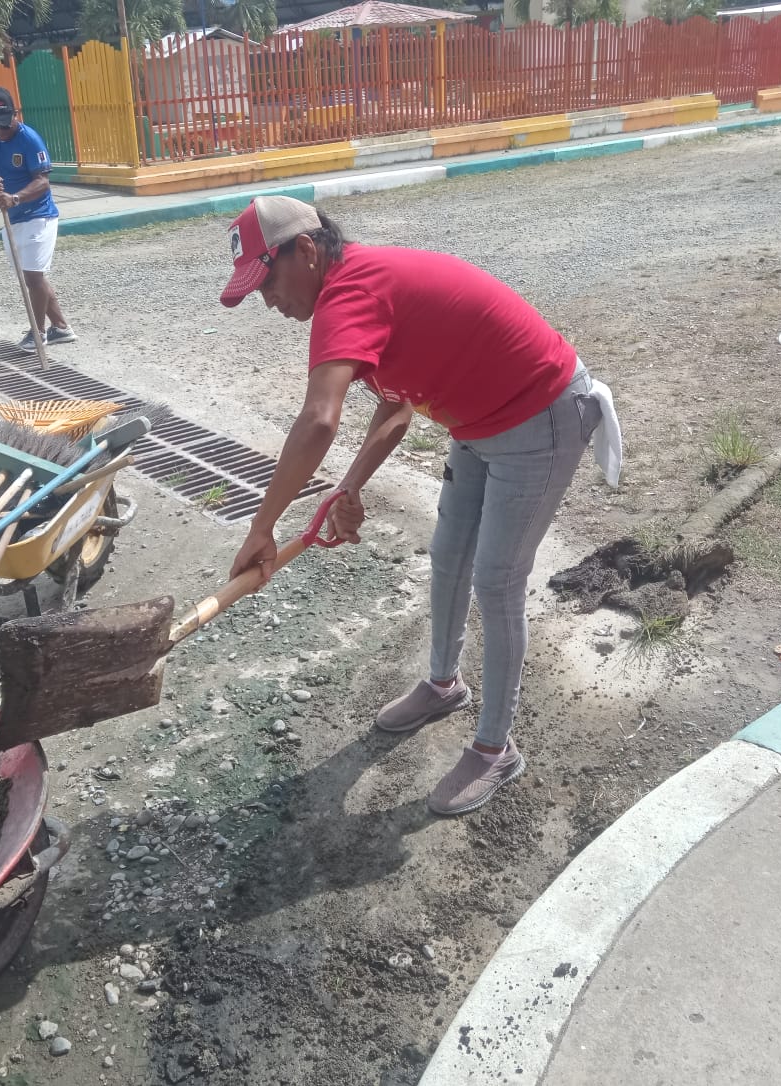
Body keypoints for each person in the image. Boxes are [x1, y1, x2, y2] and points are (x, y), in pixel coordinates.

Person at [221, 196, 621, 817]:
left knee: (496, 581)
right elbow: (397, 404)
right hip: (477, 425)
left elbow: (319, 419)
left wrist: (262, 527)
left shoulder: (348, 293)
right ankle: (443, 685)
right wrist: (348, 488)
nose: (269, 302)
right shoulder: (354, 285)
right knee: (449, 555)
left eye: (267, 282)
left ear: (305, 250)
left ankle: (495, 749)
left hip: (540, 415)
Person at [0, 86, 76, 349]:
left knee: (34, 277)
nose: (0, 132)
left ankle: (38, 333)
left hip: (39, 215)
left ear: (15, 114)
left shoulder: (30, 139)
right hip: (12, 218)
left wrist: (15, 198)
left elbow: (43, 182)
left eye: (4, 125)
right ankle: (61, 328)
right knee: (31, 277)